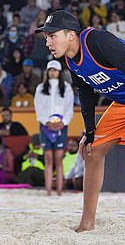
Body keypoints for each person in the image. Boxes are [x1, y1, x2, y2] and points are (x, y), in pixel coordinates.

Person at [35, 10, 125, 231]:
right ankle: (87, 224)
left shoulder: (98, 42)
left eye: (52, 35)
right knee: (91, 150)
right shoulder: (70, 59)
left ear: (70, 34)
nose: (47, 42)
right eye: (46, 37)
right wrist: (90, 131)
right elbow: (85, 93)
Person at [33, 59, 74, 196]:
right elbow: (38, 107)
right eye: (50, 70)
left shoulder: (67, 88)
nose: (53, 72)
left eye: (55, 70)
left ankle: (60, 190)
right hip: (45, 126)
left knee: (59, 157)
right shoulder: (40, 88)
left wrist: (63, 122)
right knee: (48, 158)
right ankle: (48, 190)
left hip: (61, 127)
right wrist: (47, 122)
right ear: (47, 72)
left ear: (59, 72)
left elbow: (69, 107)